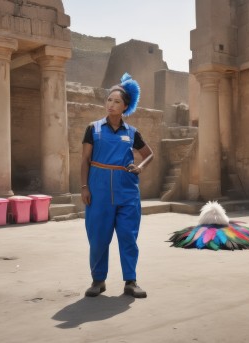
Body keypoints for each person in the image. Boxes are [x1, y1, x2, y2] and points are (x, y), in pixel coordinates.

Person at [80, 73, 153, 298]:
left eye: (116, 102)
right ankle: (98, 281)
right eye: (109, 100)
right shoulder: (94, 129)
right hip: (98, 190)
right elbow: (84, 160)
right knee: (99, 237)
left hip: (127, 191)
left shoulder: (132, 133)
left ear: (125, 107)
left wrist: (140, 167)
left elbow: (149, 154)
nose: (111, 105)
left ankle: (130, 281)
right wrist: (84, 186)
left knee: (128, 236)